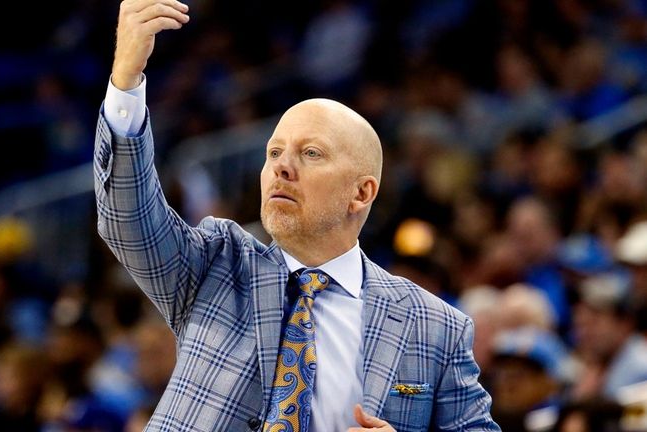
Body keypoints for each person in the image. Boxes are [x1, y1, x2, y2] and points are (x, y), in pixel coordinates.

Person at [94, 1, 499, 431]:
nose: (282, 166)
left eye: (311, 153)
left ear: (362, 193)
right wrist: (125, 82)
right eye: (274, 153)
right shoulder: (216, 263)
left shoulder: (437, 328)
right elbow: (127, 219)